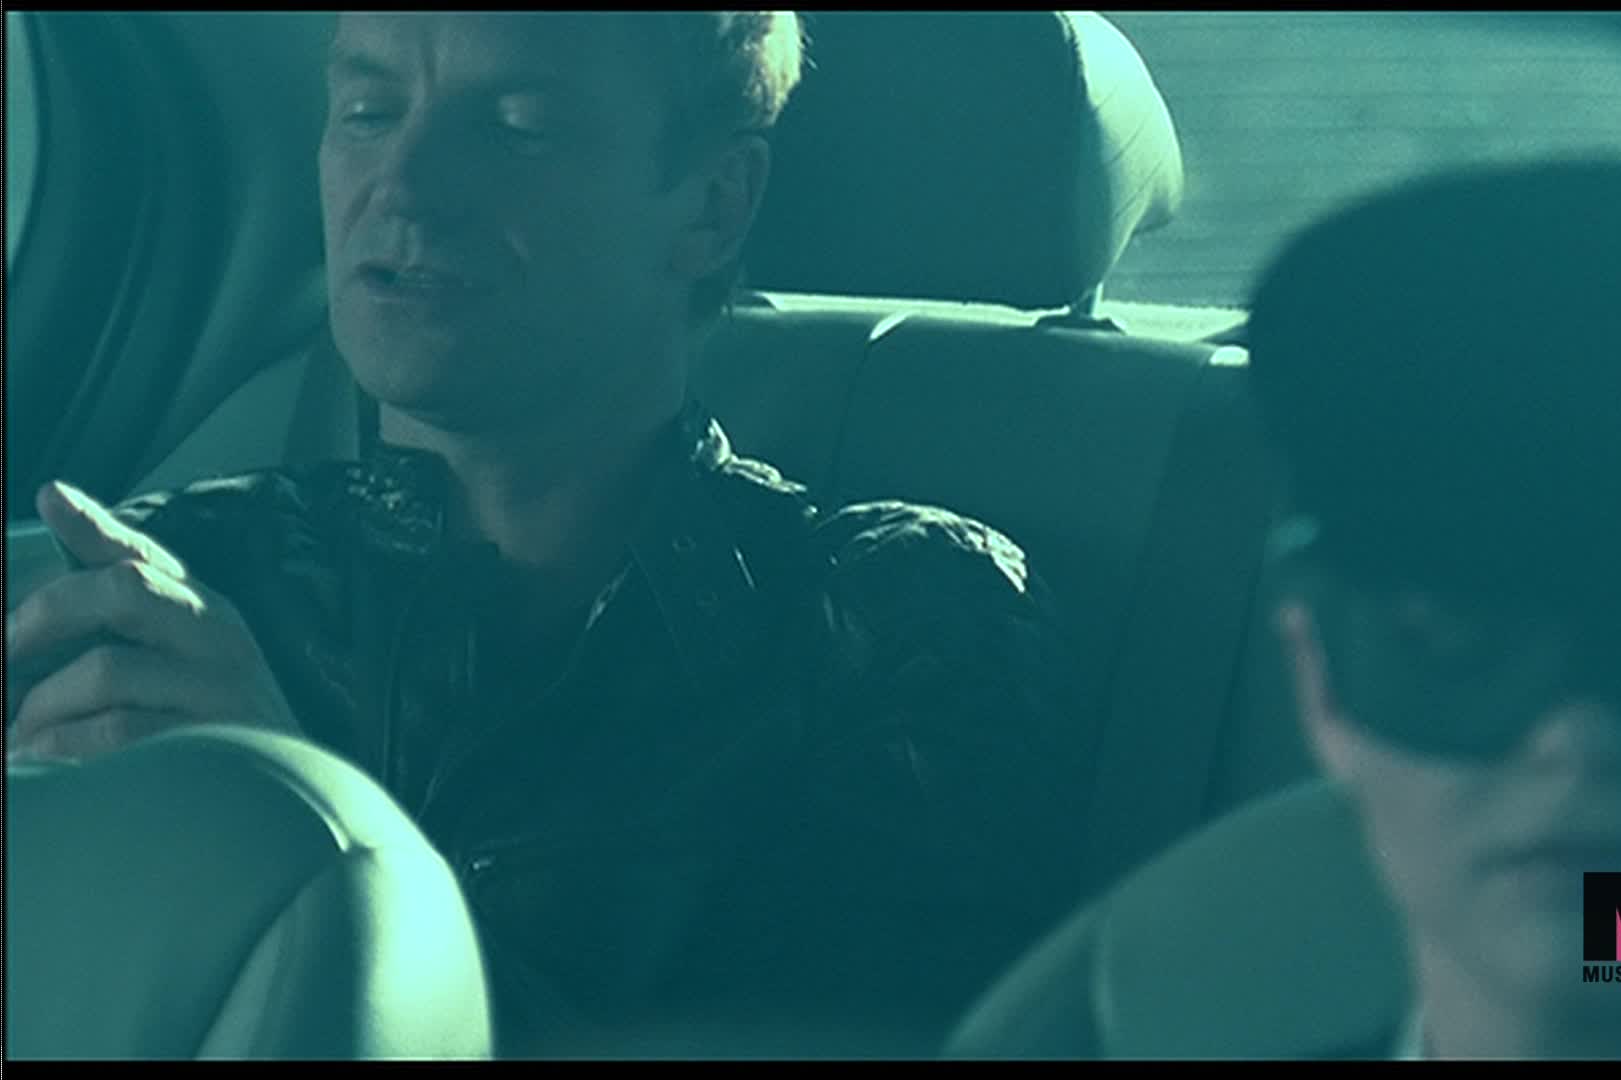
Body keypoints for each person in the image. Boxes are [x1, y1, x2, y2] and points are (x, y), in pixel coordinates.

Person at [5, 12, 1083, 1056]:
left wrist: (293, 829)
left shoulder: (894, 621)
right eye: (369, 112)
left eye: (517, 127)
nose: (405, 184)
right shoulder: (169, 579)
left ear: (713, 205)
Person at [946, 158, 1621, 1059]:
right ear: (1318, 670)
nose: (1578, 740)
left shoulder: (1167, 969)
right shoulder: (1137, 995)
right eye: (1455, 634)